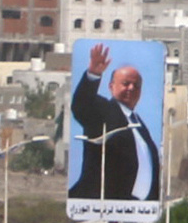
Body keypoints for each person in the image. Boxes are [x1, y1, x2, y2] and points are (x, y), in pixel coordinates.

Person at [65, 44, 161, 206]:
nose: (131, 88)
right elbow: (82, 105)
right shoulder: (103, 111)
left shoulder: (137, 124)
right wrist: (93, 74)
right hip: (100, 201)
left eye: (136, 85)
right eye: (125, 83)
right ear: (111, 87)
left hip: (137, 205)